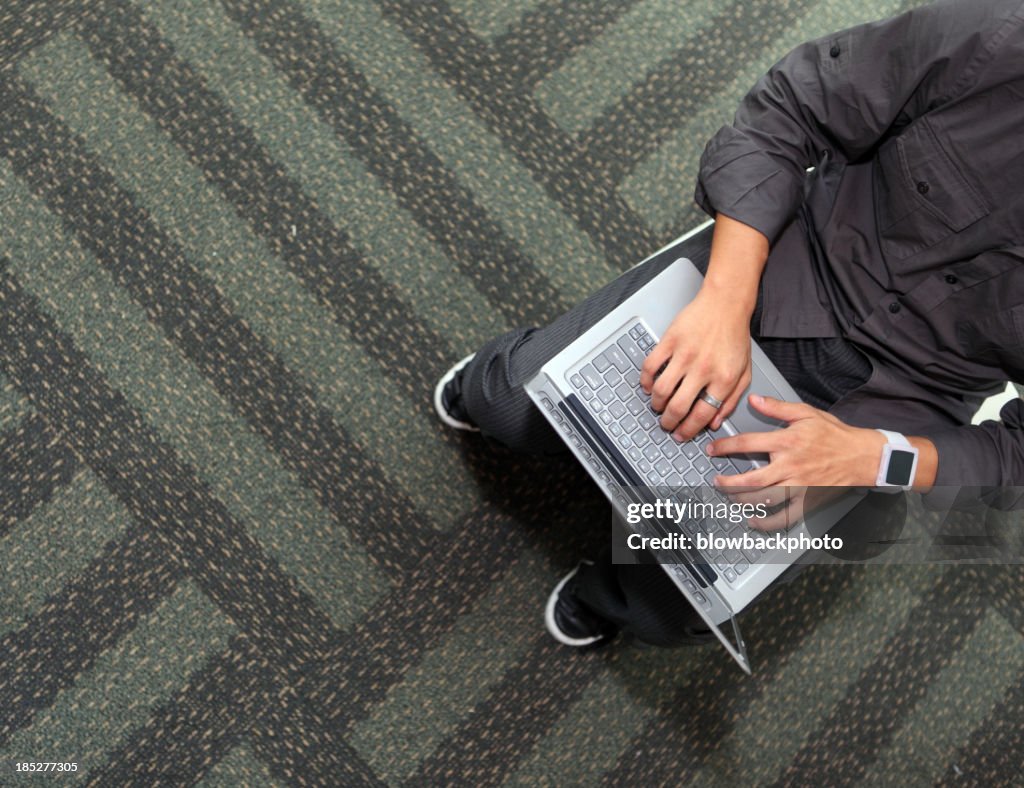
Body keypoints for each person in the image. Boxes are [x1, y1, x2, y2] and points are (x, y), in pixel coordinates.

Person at [434, 0, 1024, 648]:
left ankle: (613, 595)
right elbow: (790, 110)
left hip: (906, 400)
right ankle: (487, 387)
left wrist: (873, 457)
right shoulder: (1001, 37)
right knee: (509, 405)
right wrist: (723, 302)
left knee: (684, 597)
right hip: (790, 262)